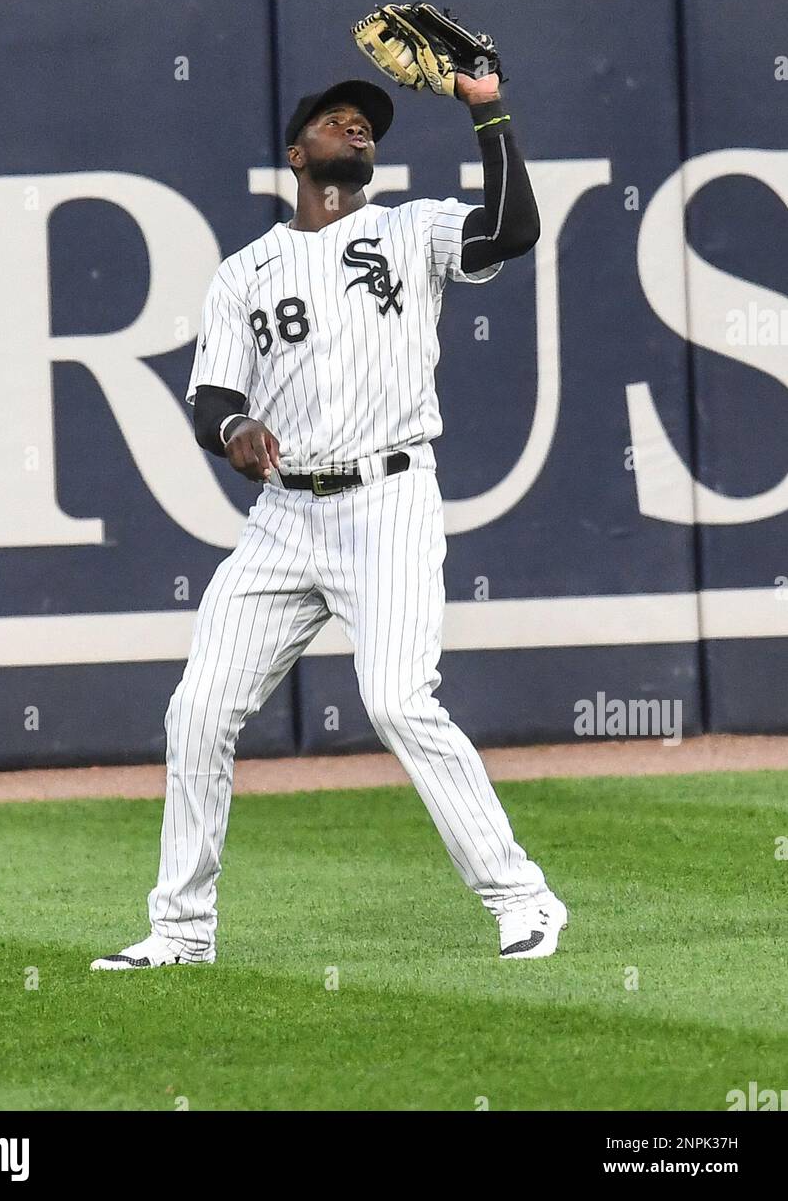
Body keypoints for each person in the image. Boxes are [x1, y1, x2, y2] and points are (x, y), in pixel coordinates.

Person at [92, 66, 567, 970]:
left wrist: (487, 107)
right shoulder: (245, 273)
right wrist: (233, 427)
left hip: (387, 498)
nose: (354, 128)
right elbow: (212, 398)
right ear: (294, 153)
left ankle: (524, 899)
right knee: (197, 710)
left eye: (366, 124)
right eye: (334, 120)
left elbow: (513, 227)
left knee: (395, 699)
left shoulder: (411, 228)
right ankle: (182, 933)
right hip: (284, 517)